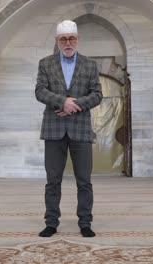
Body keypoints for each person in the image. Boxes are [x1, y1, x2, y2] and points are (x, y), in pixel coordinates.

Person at [35, 20, 103, 237]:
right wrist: (62, 101)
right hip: (54, 129)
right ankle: (51, 222)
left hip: (81, 129)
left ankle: (85, 223)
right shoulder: (45, 64)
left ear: (77, 40)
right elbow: (40, 91)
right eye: (63, 39)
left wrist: (73, 106)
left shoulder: (90, 65)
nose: (68, 43)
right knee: (52, 180)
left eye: (71, 38)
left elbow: (97, 95)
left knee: (84, 180)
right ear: (57, 41)